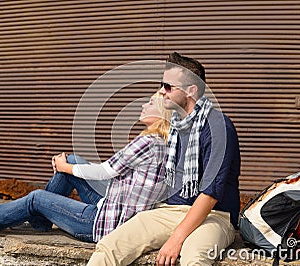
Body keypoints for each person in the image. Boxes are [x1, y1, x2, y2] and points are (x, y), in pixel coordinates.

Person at [0, 92, 172, 243]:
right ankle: (41, 220)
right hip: (115, 210)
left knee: (36, 198)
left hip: (102, 224)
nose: (143, 105)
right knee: (74, 160)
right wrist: (69, 165)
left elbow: (106, 171)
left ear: (162, 113)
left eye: (150, 103)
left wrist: (64, 168)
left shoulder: (147, 142)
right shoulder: (163, 143)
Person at [87, 52, 241, 266]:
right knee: (109, 247)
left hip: (214, 216)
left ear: (191, 91)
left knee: (194, 258)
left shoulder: (218, 126)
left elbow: (210, 194)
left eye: (168, 86)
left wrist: (176, 238)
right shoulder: (177, 127)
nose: (162, 91)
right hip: (169, 211)